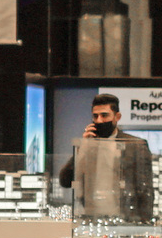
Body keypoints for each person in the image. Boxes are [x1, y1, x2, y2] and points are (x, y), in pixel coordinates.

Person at [58, 92, 154, 222]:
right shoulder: (87, 146)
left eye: (104, 115)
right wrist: (83, 147)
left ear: (117, 117)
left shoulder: (135, 145)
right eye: (95, 116)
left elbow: (146, 190)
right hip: (92, 218)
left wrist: (143, 223)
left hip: (126, 219)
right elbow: (65, 181)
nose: (99, 120)